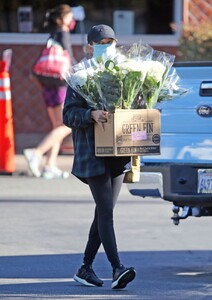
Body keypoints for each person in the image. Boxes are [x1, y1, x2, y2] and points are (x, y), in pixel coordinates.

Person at [63, 24, 136, 289]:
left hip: (117, 150)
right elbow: (67, 115)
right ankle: (117, 267)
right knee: (106, 211)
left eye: (110, 41)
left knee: (104, 211)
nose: (107, 46)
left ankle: (85, 268)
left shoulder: (124, 73)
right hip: (91, 153)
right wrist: (90, 114)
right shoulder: (79, 75)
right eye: (101, 42)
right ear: (90, 46)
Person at [24, 4, 75, 179]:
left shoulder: (52, 34)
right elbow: (69, 57)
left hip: (47, 86)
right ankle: (36, 152)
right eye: (70, 16)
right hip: (60, 86)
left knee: (56, 127)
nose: (72, 20)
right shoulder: (63, 32)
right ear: (62, 18)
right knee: (66, 125)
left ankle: (49, 165)